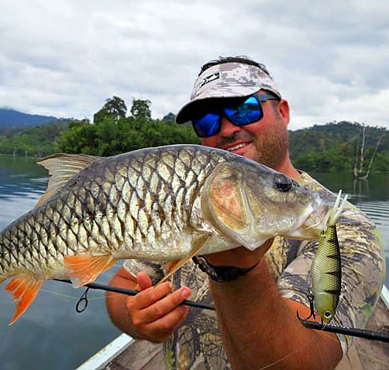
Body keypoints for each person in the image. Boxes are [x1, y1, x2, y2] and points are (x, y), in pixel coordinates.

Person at [105, 56, 385, 370]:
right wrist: (134, 315)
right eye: (207, 120)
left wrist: (235, 270)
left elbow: (306, 360)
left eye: (243, 108)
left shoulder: (341, 226)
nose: (225, 129)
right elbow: (123, 282)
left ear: (283, 112)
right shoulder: (179, 200)